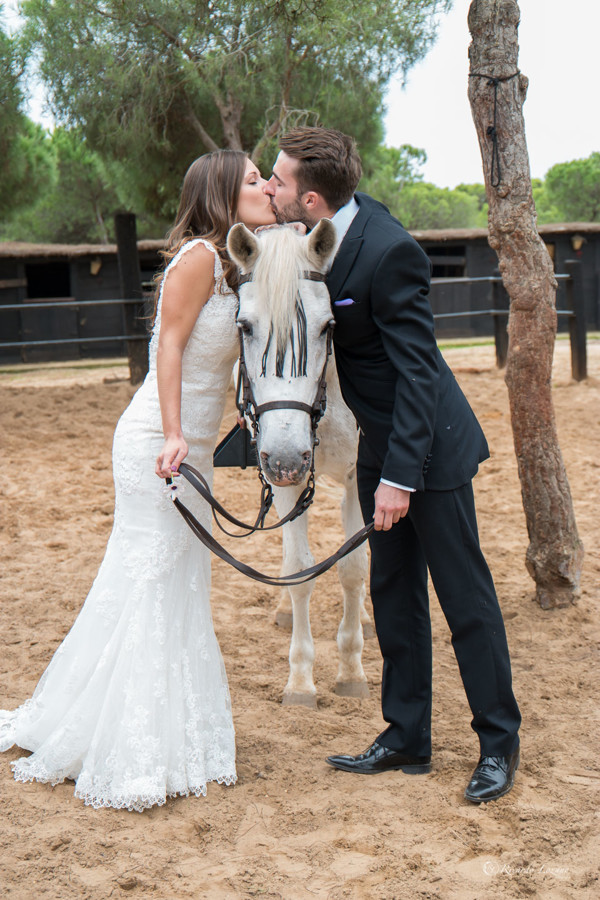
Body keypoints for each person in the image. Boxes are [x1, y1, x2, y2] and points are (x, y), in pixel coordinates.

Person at [0, 150, 276, 812]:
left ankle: (161, 731)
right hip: (159, 441)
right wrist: (179, 433)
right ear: (219, 194)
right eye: (252, 180)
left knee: (175, 585)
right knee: (153, 581)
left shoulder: (233, 263)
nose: (266, 186)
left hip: (195, 445)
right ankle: (134, 745)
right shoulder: (199, 261)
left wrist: (235, 403)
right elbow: (169, 350)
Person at [264, 127, 521, 803]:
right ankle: (406, 734)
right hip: (381, 441)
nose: (270, 188)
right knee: (394, 594)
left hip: (428, 446)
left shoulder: (390, 251)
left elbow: (419, 376)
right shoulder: (320, 233)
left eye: (279, 180)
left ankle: (499, 744)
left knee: (464, 601)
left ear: (312, 199)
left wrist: (400, 479)